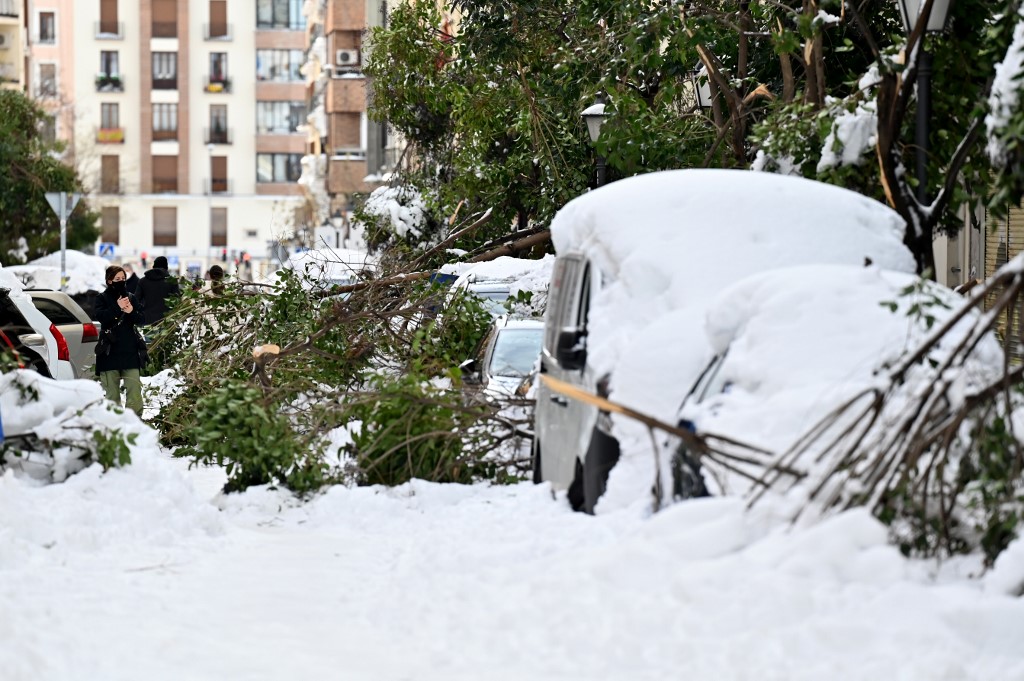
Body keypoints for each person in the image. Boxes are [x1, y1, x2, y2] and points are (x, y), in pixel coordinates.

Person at [94, 265, 146, 415]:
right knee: (112, 396)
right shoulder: (101, 298)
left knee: (135, 391)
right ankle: (114, 427)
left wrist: (131, 312)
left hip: (129, 351)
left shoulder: (131, 297)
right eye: (117, 279)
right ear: (109, 281)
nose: (121, 281)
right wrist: (117, 308)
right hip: (109, 352)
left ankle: (135, 423)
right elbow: (101, 317)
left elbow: (142, 319)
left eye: (123, 278)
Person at [138, 255, 181, 326]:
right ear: (166, 267)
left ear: (154, 266)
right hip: (167, 321)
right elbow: (177, 301)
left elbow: (136, 300)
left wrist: (142, 313)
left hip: (147, 321)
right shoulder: (172, 281)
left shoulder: (142, 281)